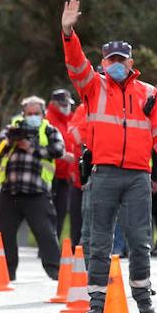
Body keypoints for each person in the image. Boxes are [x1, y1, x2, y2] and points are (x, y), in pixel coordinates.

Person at [59, 0, 157, 313]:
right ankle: (97, 301)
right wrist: (67, 32)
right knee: (99, 240)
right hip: (103, 173)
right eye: (110, 59)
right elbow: (75, 64)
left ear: (131, 62)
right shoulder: (93, 87)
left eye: (121, 59)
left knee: (140, 239)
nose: (116, 64)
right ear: (102, 63)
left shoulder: (149, 93)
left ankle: (143, 294)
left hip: (138, 176)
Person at [0, 96, 66, 280]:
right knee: (5, 234)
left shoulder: (49, 130)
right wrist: (11, 141)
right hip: (11, 190)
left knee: (46, 232)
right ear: (23, 114)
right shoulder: (12, 128)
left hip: (37, 192)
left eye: (36, 113)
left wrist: (31, 147)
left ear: (43, 114)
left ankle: (55, 270)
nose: (32, 116)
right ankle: (7, 271)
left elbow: (58, 150)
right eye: (29, 113)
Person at [45, 89, 77, 239]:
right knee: (48, 211)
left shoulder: (71, 120)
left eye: (68, 104)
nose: (66, 107)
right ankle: (47, 242)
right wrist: (62, 157)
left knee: (61, 210)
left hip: (65, 175)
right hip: (49, 173)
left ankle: (54, 242)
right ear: (53, 104)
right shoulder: (47, 119)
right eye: (62, 104)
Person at [64, 101, 90, 250]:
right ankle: (77, 247)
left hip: (102, 169)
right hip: (81, 172)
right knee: (78, 215)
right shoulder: (83, 109)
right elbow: (74, 137)